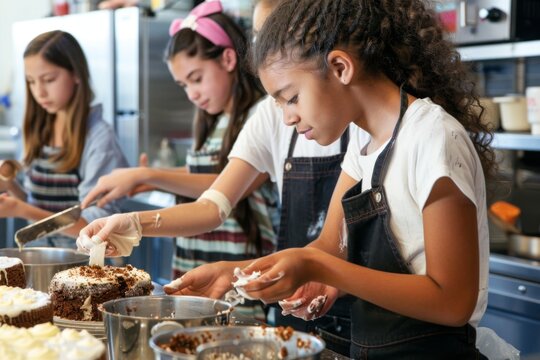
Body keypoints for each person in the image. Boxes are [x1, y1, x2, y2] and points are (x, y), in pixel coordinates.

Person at [166, 0, 497, 357]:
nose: (286, 119)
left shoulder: (432, 138)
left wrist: (322, 268)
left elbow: (453, 303)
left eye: (291, 98)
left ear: (340, 67)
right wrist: (236, 274)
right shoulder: (363, 141)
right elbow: (328, 246)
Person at [79, 0, 352, 352]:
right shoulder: (269, 116)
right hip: (295, 305)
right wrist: (134, 222)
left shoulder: (374, 125)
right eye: (260, 40)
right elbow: (213, 205)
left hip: (366, 321)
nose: (289, 117)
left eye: (275, 36)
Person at [86, 0, 280, 321]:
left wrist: (148, 174)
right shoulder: (211, 121)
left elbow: (223, 188)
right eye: (183, 85)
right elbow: (204, 173)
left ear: (228, 59)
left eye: (196, 77)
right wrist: (144, 178)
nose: (191, 93)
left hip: (236, 270)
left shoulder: (261, 115)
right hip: (196, 259)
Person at [0, 30, 128, 248]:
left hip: (84, 265)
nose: (39, 91)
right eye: (31, 81)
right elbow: (33, 200)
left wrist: (20, 210)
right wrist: (9, 183)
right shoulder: (38, 129)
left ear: (76, 74)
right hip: (40, 255)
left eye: (48, 79)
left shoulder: (98, 138)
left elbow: (96, 225)